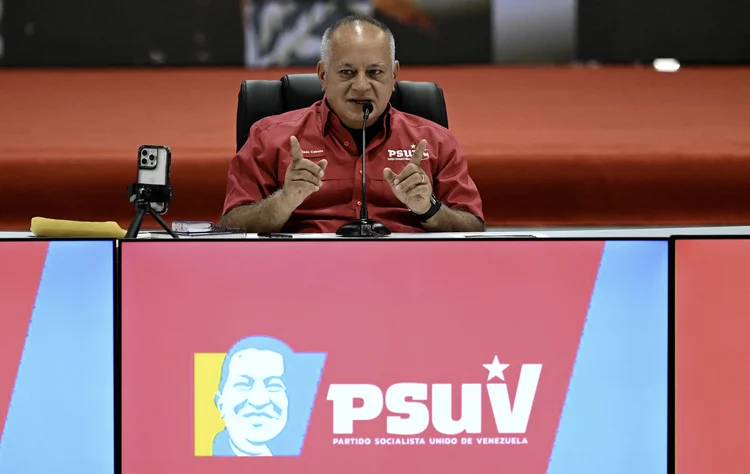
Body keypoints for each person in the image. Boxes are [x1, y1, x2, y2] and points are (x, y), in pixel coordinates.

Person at [221, 14, 484, 234]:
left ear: (394, 75)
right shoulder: (268, 138)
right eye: (347, 72)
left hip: (405, 274)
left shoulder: (436, 141)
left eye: (374, 72)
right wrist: (283, 201)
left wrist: (430, 209)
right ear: (323, 75)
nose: (361, 85)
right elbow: (231, 226)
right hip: (305, 273)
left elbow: (473, 226)